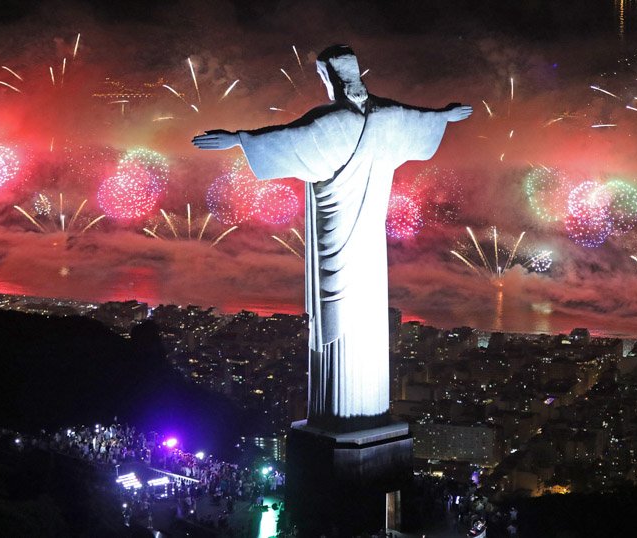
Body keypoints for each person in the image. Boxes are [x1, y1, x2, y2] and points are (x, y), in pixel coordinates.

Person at [192, 44, 471, 430]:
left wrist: (239, 138)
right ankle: (360, 414)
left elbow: (287, 138)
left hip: (336, 232)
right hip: (371, 247)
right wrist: (445, 116)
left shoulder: (331, 123)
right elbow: (418, 118)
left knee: (336, 313)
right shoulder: (387, 116)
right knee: (364, 312)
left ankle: (338, 416)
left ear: (328, 78)